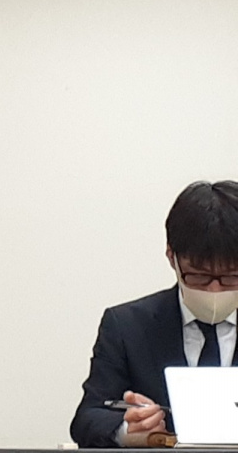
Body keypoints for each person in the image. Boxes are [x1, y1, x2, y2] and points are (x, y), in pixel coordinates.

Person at [71, 180, 238, 447]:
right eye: (199, 276)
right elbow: (88, 419)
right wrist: (128, 430)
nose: (214, 289)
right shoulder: (126, 326)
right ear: (172, 257)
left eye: (231, 277)